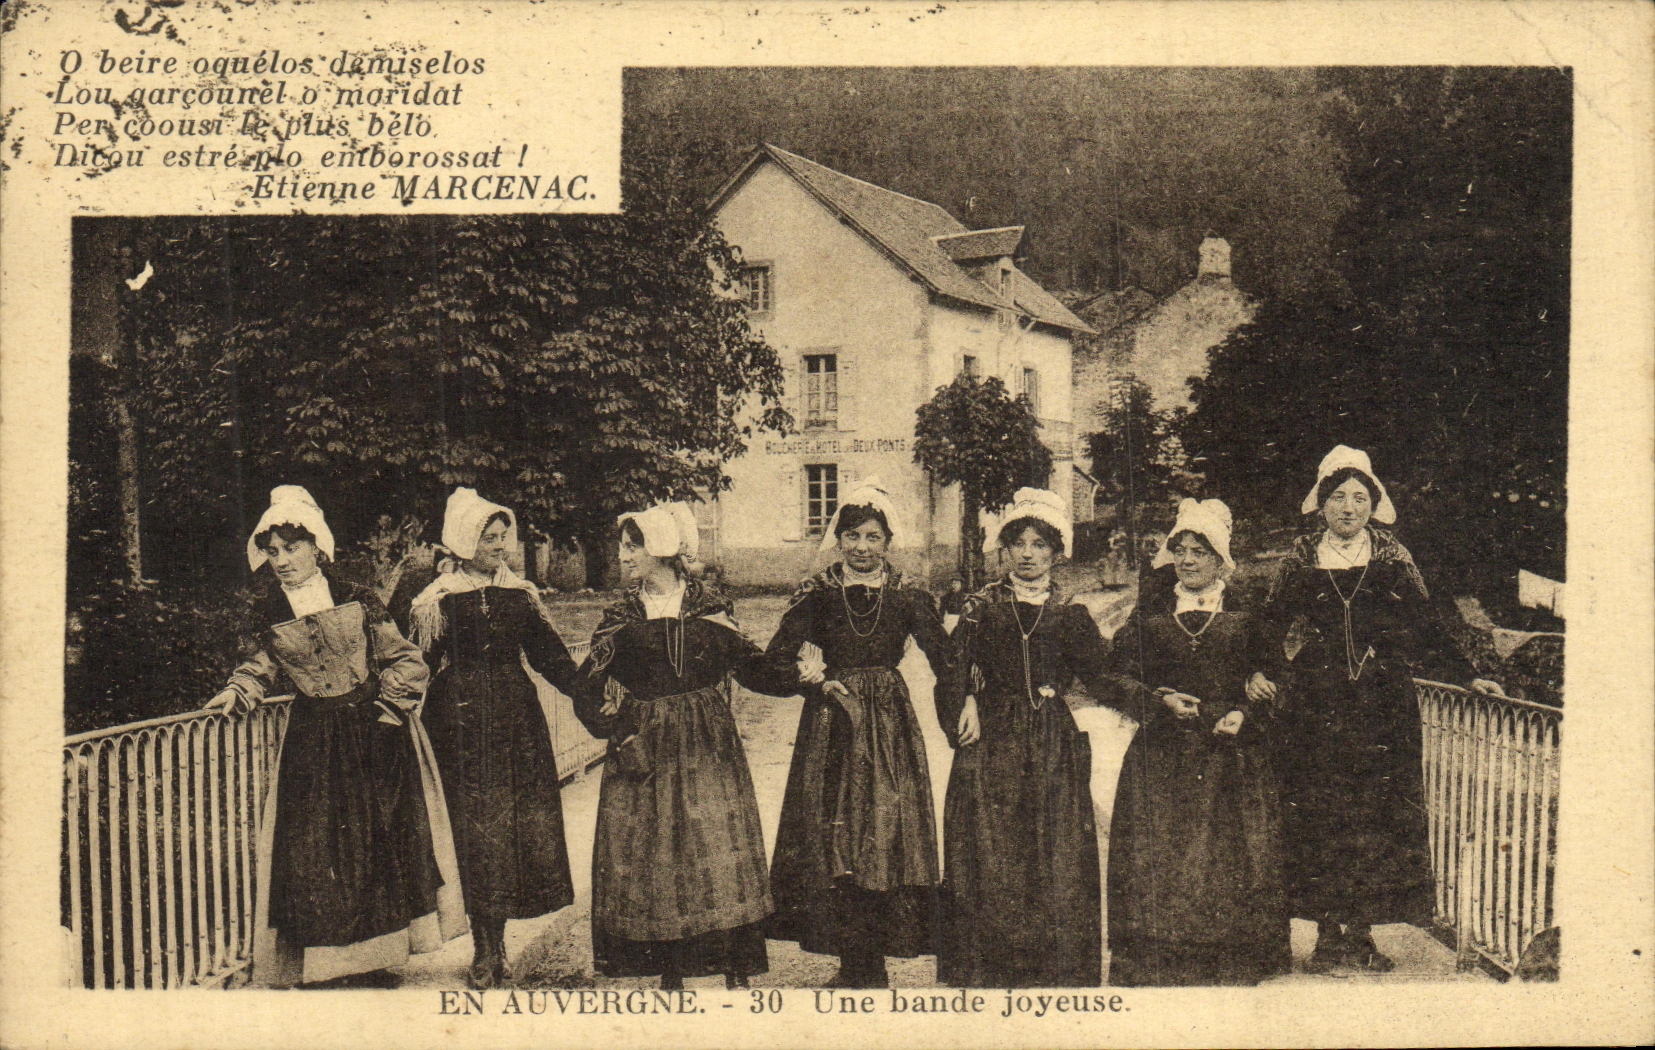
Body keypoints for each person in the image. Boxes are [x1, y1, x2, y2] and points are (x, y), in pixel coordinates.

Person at [1247, 446, 1505, 973]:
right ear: (1321, 504)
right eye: (1338, 497)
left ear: (1374, 503)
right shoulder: (1300, 556)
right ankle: (1326, 935)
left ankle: (1362, 933)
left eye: (1359, 498)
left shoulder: (1392, 556)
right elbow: (1269, 623)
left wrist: (1467, 674)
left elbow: (1427, 625)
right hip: (1316, 703)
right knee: (1319, 813)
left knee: (1374, 814)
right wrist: (1259, 670)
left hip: (1382, 704)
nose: (1348, 508)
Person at [207, 486, 465, 986]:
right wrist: (237, 691)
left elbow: (405, 658)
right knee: (316, 851)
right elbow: (260, 669)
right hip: (313, 742)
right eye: (273, 551)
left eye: (292, 548)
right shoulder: (269, 610)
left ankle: (378, 960)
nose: (282, 561)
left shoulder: (356, 597)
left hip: (374, 733)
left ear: (316, 547)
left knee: (379, 846)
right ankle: (330, 966)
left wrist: (389, 708)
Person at [571, 502, 783, 990]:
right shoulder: (621, 617)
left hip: (708, 742)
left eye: (633, 546)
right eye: (623, 546)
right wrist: (616, 731)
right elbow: (587, 688)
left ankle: (734, 967)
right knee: (656, 855)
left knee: (717, 847)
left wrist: (803, 678)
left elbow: (753, 667)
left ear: (662, 550)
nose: (623, 556)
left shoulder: (710, 608)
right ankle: (671, 970)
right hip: (645, 747)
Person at [761, 479, 957, 989]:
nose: (862, 547)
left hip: (889, 729)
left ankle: (878, 959)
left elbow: (947, 658)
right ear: (838, 538)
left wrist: (968, 706)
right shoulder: (818, 594)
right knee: (837, 839)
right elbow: (776, 658)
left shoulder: (908, 594)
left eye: (873, 537)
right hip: (833, 724)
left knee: (886, 835)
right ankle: (855, 964)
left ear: (888, 541)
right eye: (852, 536)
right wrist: (812, 680)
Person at [1102, 498, 1289, 986]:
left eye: (1199, 551)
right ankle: (1163, 957)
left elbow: (1276, 676)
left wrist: (1246, 708)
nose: (1186, 560)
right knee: (1162, 853)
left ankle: (1227, 958)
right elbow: (1114, 676)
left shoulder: (1246, 616)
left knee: (1226, 854)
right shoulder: (1151, 615)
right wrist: (1157, 700)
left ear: (1220, 559)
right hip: (1163, 756)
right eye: (1179, 550)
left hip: (1229, 755)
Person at [407, 488, 582, 989]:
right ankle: (484, 949)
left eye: (505, 537)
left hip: (516, 725)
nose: (501, 546)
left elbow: (552, 660)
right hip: (457, 726)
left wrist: (594, 693)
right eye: (490, 538)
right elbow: (415, 665)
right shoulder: (436, 600)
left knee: (510, 833)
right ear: (465, 541)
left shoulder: (521, 595)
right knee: (472, 832)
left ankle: (498, 942)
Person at [935, 488, 1107, 988]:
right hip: (992, 739)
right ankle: (991, 965)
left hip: (1052, 738)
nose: (1028, 554)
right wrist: (966, 699)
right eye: (1018, 544)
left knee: (1054, 846)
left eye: (1039, 544)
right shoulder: (980, 607)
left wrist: (1155, 699)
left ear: (1057, 552)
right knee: (992, 847)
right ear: (1004, 549)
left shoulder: (1070, 611)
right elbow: (951, 670)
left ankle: (1053, 966)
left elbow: (1103, 675)